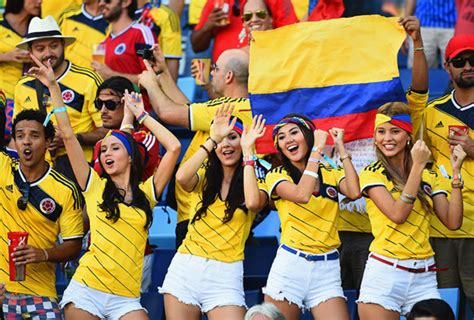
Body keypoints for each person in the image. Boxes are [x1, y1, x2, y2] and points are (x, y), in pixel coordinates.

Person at [26, 51, 180, 319]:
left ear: (131, 156)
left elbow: (175, 146)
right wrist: (53, 87)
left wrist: (140, 115)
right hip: (87, 289)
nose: (106, 153)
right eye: (103, 150)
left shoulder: (147, 193)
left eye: (114, 148)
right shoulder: (94, 185)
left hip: (126, 298)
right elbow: (71, 138)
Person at [337, 15, 430, 291]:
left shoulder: (397, 111)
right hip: (336, 230)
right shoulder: (331, 104)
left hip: (377, 235)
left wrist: (418, 42)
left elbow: (421, 89)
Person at [357, 102, 466, 319]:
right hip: (385, 273)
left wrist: (456, 174)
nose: (387, 138)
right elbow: (398, 215)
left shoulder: (429, 174)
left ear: (408, 136)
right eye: (381, 132)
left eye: (395, 131)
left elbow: (453, 222)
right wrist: (417, 166)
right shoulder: (371, 173)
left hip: (424, 275)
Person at [160, 105, 268, 320]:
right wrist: (211, 140)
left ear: (243, 140)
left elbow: (255, 203)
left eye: (233, 137)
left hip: (226, 274)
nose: (226, 144)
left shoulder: (257, 175)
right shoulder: (204, 174)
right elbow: (181, 178)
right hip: (186, 267)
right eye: (222, 140)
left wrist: (249, 154)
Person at [139, 46, 253, 247]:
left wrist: (150, 84)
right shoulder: (237, 106)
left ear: (228, 76)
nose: (211, 73)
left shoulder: (229, 108)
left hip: (200, 214)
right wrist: (162, 72)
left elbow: (167, 112)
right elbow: (187, 109)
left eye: (215, 68)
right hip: (202, 211)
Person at [264, 115, 361, 320]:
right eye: (281, 137)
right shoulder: (277, 174)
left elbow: (354, 192)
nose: (288, 140)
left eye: (294, 132)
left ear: (308, 135)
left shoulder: (329, 171)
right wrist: (317, 150)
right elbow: (302, 195)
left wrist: (341, 149)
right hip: (291, 264)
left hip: (328, 267)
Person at [0, 109, 84, 319]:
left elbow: (73, 245)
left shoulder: (65, 189)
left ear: (48, 142)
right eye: (20, 136)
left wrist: (43, 254)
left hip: (42, 294)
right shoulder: (3, 168)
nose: (26, 142)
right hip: (1, 291)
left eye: (34, 136)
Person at [13, 15, 107, 183]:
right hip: (37, 174)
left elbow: (109, 130)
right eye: (40, 49)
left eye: (54, 46)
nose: (48, 53)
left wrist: (72, 138)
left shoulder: (89, 80)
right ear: (31, 52)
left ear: (63, 45)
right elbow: (18, 134)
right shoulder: (22, 85)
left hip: (80, 169)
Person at [91, 76, 160, 293]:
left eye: (110, 104)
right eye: (98, 104)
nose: (103, 110)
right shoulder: (101, 146)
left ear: (126, 103)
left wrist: (129, 119)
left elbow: (130, 163)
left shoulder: (146, 139)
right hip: (98, 249)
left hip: (134, 251)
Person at [421, 34, 474, 312]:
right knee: (443, 306)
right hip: (442, 227)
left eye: (473, 60)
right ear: (447, 66)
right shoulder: (432, 112)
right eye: (460, 61)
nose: (467, 66)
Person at [0, 0, 41, 139]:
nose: (39, 2)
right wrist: (6, 56)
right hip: (3, 93)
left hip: (26, 95)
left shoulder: (37, 28)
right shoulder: (1, 23)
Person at [92, 0, 155, 86]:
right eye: (99, 0)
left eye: (107, 0)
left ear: (126, 2)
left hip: (138, 99)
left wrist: (112, 75)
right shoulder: (102, 44)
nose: (101, 3)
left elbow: (154, 79)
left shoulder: (141, 33)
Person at [135, 0, 182, 81]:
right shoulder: (112, 14)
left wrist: (169, 93)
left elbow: (172, 59)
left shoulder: (166, 15)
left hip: (150, 83)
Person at [405, 0, 457, 68]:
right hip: (422, 23)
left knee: (457, 68)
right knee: (418, 70)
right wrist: (405, 24)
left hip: (453, 24)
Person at [59, 0, 108, 69]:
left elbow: (99, 63)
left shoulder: (111, 24)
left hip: (90, 77)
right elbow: (57, 48)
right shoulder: (67, 15)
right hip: (64, 73)